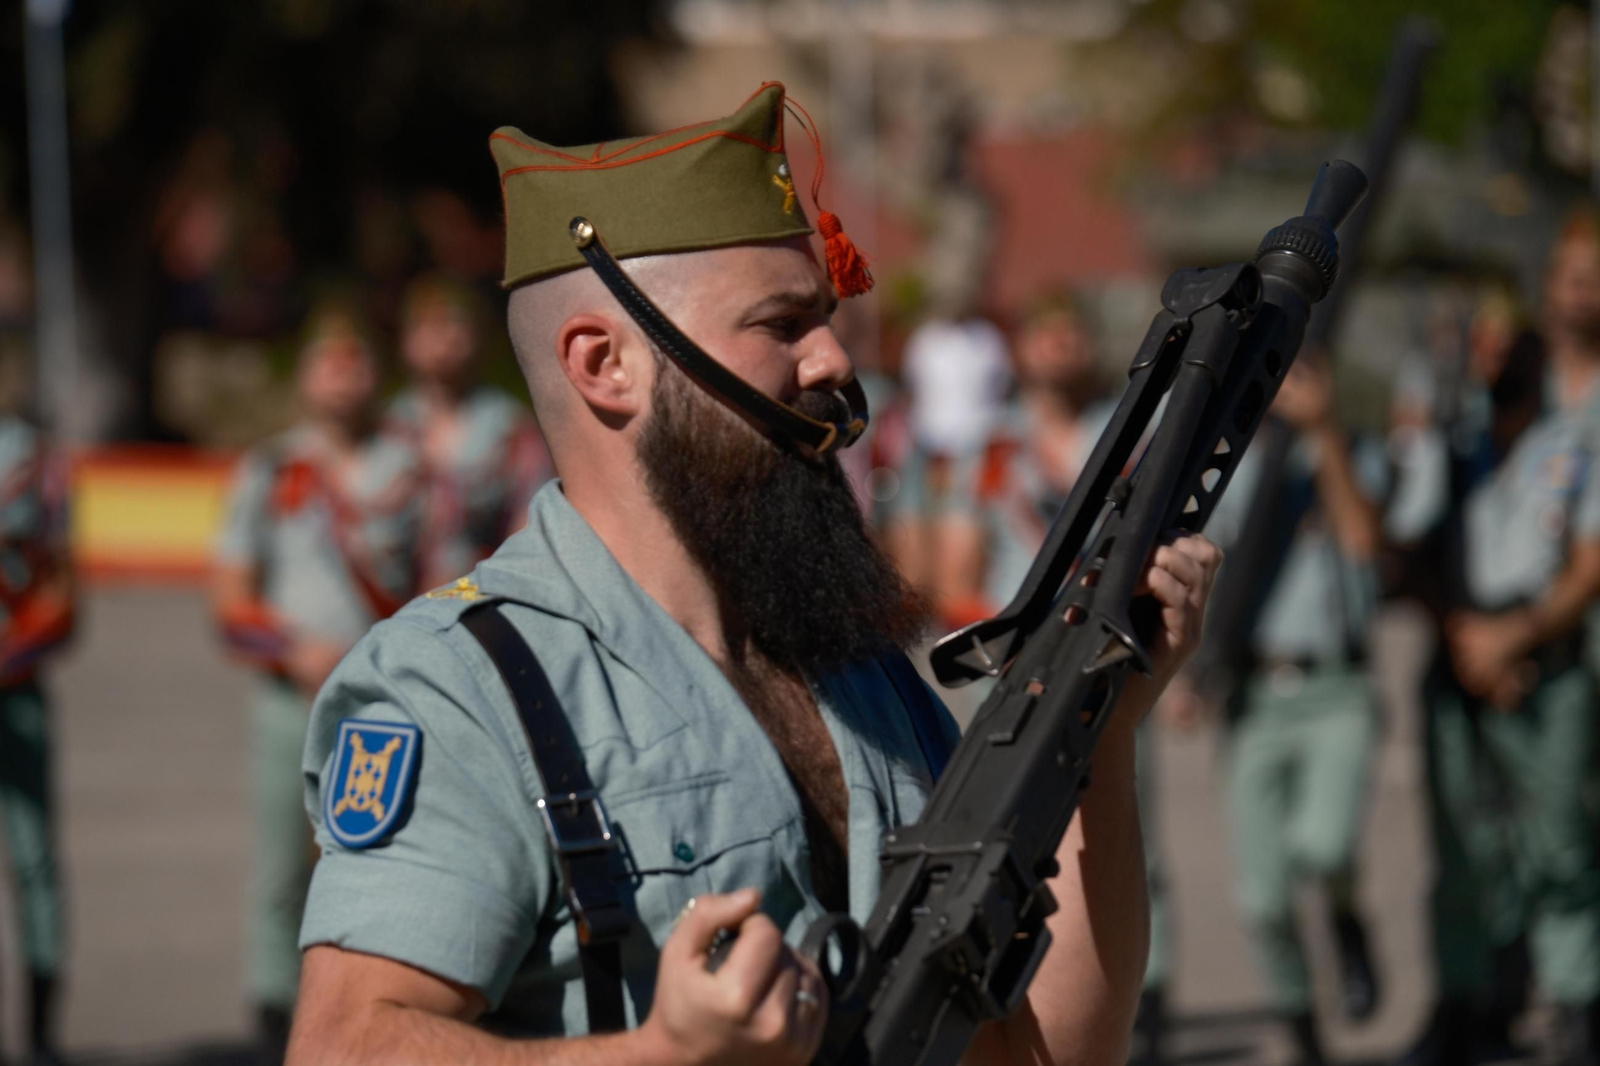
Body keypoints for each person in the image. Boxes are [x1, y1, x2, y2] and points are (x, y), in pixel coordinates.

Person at [282, 82, 1223, 1066]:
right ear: (605, 363)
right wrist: (660, 1054)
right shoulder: (461, 687)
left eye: (823, 319)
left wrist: (1101, 732)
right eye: (781, 325)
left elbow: (1038, 1053)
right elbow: (342, 1045)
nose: (830, 358)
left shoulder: (860, 669)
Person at [953, 292, 1177, 1065]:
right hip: (1014, 676)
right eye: (1043, 331)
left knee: (1122, 827)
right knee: (1015, 846)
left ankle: (1145, 1008)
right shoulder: (991, 450)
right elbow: (953, 567)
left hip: (1108, 663)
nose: (1057, 346)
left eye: (1070, 331)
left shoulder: (1126, 439)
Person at [1402, 209, 1600, 1066]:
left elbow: (1587, 556)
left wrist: (1513, 640)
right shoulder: (1457, 430)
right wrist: (1466, 641)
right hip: (1462, 650)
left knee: (1559, 845)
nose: (1490, 358)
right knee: (1463, 851)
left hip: (1548, 654)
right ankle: (1464, 1001)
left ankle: (1575, 1008)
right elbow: (1414, 542)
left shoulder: (1573, 426)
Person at [211, 308, 428, 1063]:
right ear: (304, 375)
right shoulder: (271, 471)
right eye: (326, 361)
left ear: (378, 373)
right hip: (289, 705)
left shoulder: (411, 473)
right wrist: (295, 650)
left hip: (389, 708)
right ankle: (273, 1021)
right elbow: (230, 607)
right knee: (281, 869)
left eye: (356, 360)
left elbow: (445, 579)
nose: (343, 374)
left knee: (387, 863)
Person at [1170, 354, 1386, 1066]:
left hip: (1334, 687)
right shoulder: (1234, 472)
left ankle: (1348, 915)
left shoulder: (1347, 452)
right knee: (1262, 896)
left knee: (1321, 846)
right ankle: (1303, 1027)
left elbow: (1362, 542)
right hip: (1256, 693)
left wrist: (1323, 433)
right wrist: (1185, 678)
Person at [387, 274, 552, 587]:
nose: (443, 337)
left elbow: (528, 522)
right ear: (406, 341)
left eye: (454, 323)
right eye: (427, 325)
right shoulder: (386, 427)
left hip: (480, 592)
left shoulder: (510, 427)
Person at [0, 415, 75, 1066]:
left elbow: (62, 595)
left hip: (13, 691)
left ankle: (42, 1038)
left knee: (34, 865)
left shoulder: (30, 459)